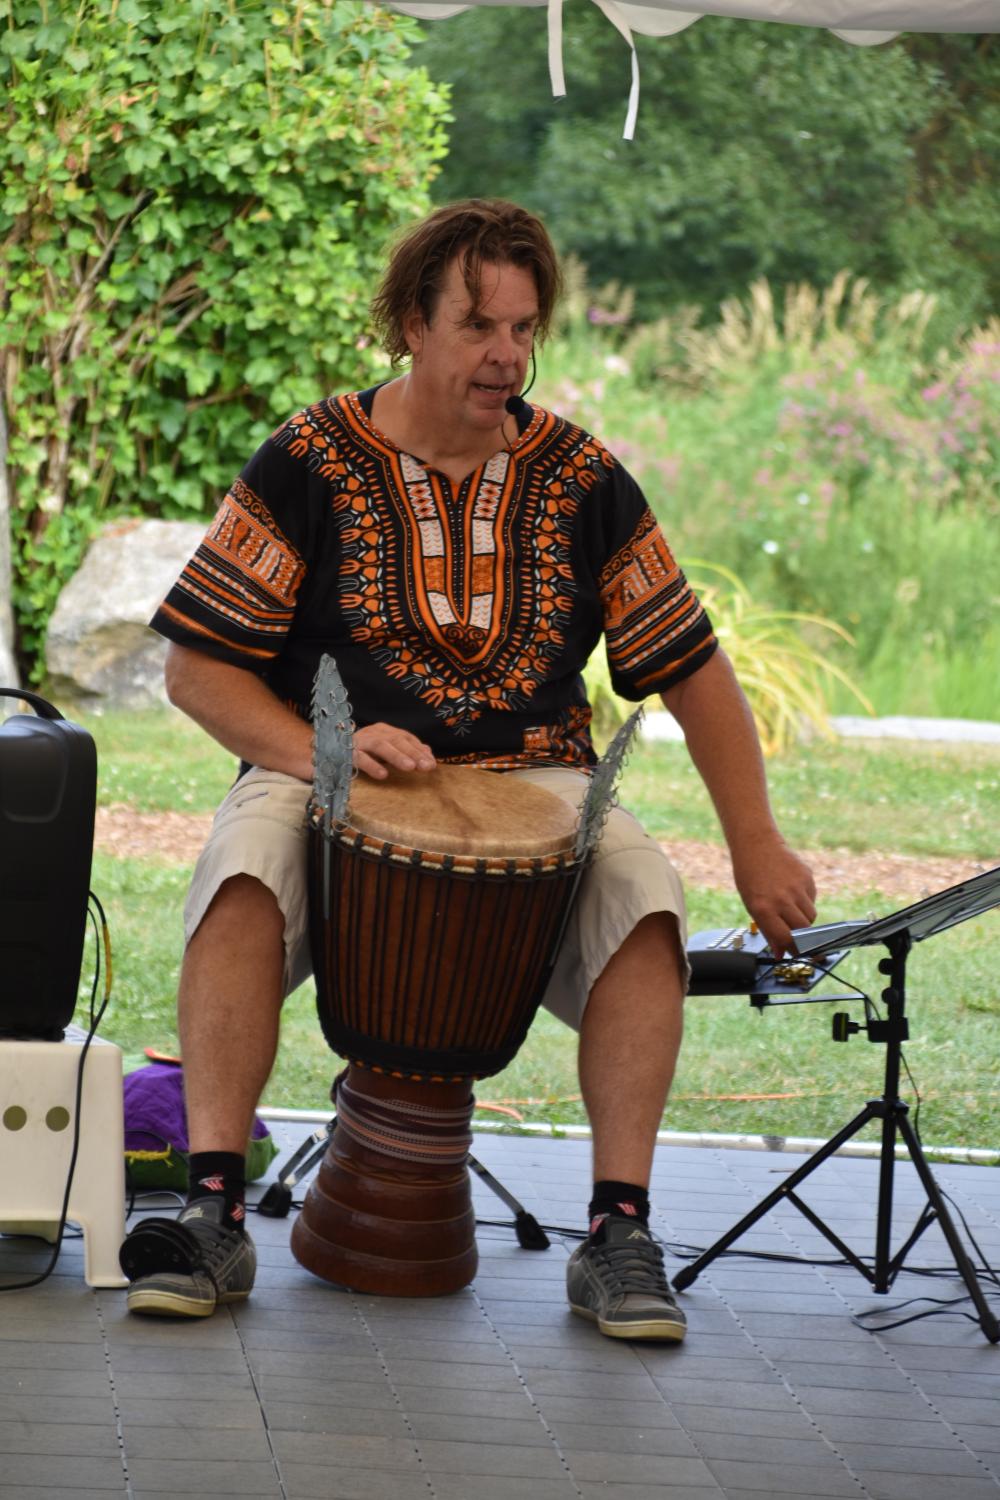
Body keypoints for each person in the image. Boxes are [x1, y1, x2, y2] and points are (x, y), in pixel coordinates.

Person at [119, 199, 816, 1338]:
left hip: (534, 776)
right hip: (321, 762)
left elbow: (691, 667)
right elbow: (199, 672)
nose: (506, 356)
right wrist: (321, 749)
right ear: (411, 323)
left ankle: (619, 1233)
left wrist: (757, 842)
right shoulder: (308, 460)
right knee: (244, 869)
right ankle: (211, 1214)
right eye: (480, 326)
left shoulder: (581, 477)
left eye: (524, 329)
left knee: (645, 897)